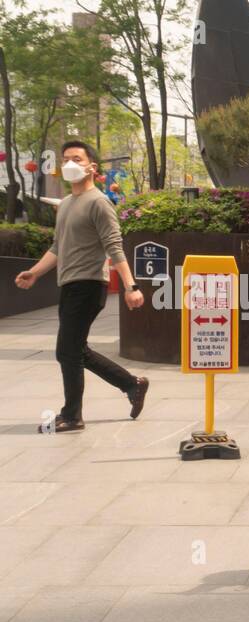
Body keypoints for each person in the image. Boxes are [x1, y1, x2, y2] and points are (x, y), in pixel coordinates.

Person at [14, 141, 149, 433]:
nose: (70, 164)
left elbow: (114, 247)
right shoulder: (67, 205)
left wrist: (131, 286)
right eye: (66, 159)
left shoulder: (99, 202)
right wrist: (34, 273)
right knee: (76, 349)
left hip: (89, 285)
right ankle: (132, 384)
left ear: (92, 167)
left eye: (76, 158)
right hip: (70, 285)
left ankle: (72, 415)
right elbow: (57, 246)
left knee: (67, 351)